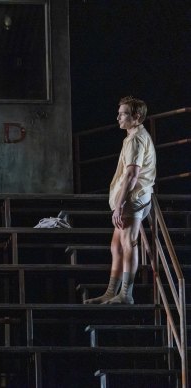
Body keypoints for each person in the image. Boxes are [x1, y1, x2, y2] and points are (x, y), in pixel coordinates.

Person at [85, 96, 156, 305]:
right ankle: (111, 292)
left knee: (127, 244)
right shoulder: (132, 136)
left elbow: (132, 175)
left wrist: (119, 204)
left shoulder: (136, 139)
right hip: (128, 201)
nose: (118, 117)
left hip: (132, 200)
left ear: (136, 117)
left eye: (123, 113)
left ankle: (126, 294)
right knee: (116, 246)